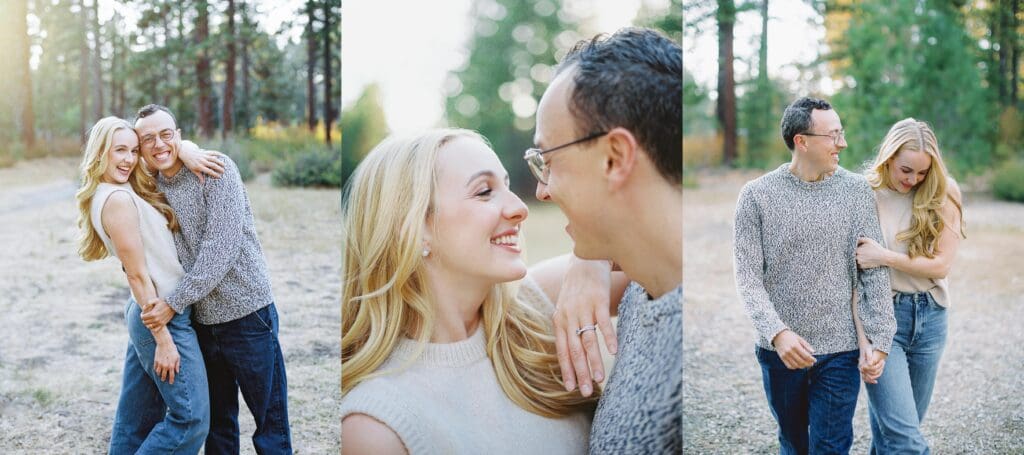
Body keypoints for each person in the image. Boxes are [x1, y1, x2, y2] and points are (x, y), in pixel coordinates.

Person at [339, 129, 629, 454]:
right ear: (413, 228)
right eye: (484, 192)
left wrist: (593, 259)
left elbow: (660, 250)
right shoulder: (377, 425)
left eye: (506, 185)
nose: (520, 207)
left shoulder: (536, 307)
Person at [529, 27, 683, 453]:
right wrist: (592, 257)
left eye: (547, 160)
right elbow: (511, 296)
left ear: (615, 157)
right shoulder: (643, 286)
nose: (543, 190)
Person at [733, 96, 897, 454]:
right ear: (801, 141)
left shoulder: (856, 191)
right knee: (794, 443)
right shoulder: (756, 196)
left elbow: (874, 270)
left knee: (831, 446)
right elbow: (747, 278)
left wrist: (881, 339)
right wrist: (777, 334)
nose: (843, 143)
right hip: (780, 353)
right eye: (833, 135)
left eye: (842, 133)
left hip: (840, 350)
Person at [132, 104, 292, 453]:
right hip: (201, 322)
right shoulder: (150, 188)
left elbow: (220, 249)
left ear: (178, 134)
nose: (158, 144)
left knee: (270, 424)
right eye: (148, 139)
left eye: (166, 134)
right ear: (140, 148)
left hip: (248, 314)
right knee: (218, 425)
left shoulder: (215, 169)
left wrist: (173, 303)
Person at [75, 116, 222, 453]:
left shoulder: (121, 188)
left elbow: (165, 150)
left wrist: (186, 149)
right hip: (160, 315)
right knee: (190, 420)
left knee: (135, 421)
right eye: (119, 151)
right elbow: (137, 274)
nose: (128, 159)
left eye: (133, 150)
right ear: (100, 154)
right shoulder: (117, 201)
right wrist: (164, 341)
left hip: (146, 310)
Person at [852, 118, 965, 454]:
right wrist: (863, 344)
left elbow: (941, 266)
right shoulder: (864, 194)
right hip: (884, 320)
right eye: (905, 170)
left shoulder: (944, 192)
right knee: (905, 440)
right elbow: (854, 281)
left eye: (921, 173)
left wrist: (884, 256)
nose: (913, 180)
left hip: (931, 319)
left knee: (896, 432)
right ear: (888, 157)